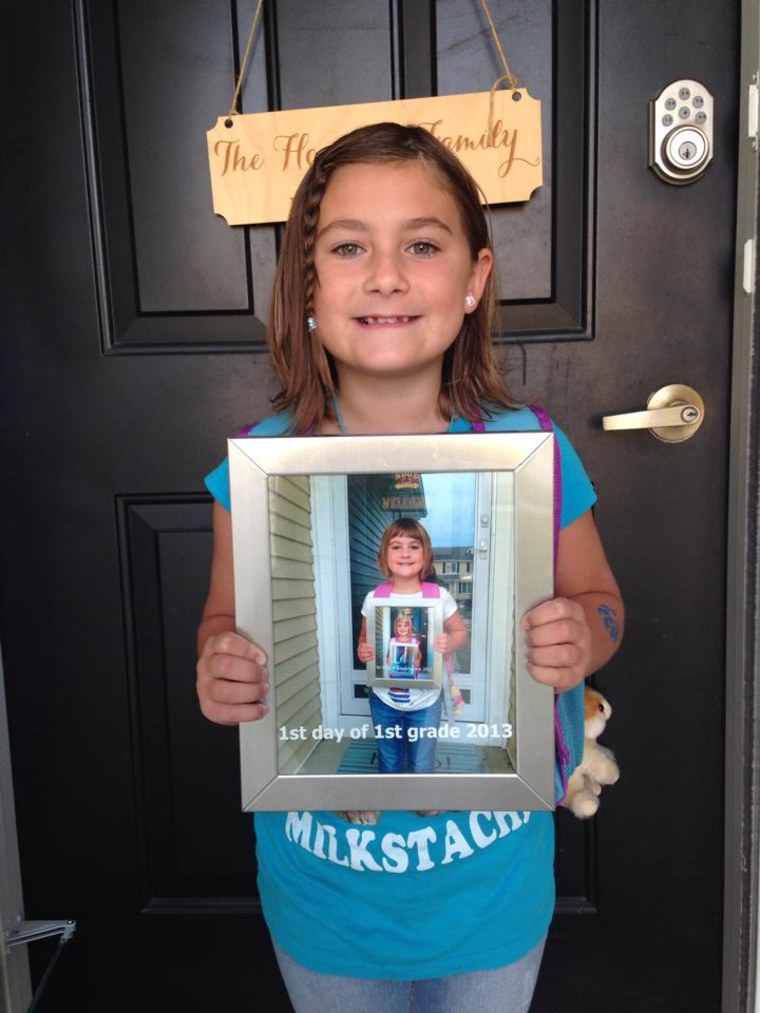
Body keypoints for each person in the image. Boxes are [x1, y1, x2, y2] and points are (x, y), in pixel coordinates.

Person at [196, 122, 624, 1011]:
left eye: (421, 245)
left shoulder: (530, 447)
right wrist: (220, 667)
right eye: (349, 245)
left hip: (490, 901)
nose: (385, 274)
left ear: (473, 281)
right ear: (306, 285)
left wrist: (583, 633)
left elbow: (603, 604)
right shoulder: (257, 467)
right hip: (323, 902)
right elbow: (222, 622)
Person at [356, 518, 468, 773]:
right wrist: (364, 650)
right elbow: (364, 639)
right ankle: (392, 797)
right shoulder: (375, 598)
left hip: (426, 701)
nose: (405, 553)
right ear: (385, 555)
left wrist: (449, 643)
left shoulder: (438, 596)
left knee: (421, 761)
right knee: (389, 759)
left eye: (413, 547)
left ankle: (421, 799)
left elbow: (461, 631)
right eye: (396, 547)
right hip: (384, 699)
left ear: (425, 554)